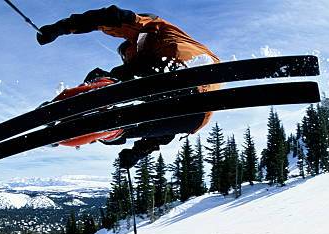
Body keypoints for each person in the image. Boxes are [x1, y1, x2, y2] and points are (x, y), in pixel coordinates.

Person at [37, 5, 220, 169]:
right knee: (127, 126)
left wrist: (62, 27)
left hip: (180, 73)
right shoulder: (151, 54)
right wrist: (137, 153)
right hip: (194, 118)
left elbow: (110, 16)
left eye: (126, 52)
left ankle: (97, 98)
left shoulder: (152, 27)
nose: (126, 56)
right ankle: (110, 130)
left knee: (104, 75)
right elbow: (165, 131)